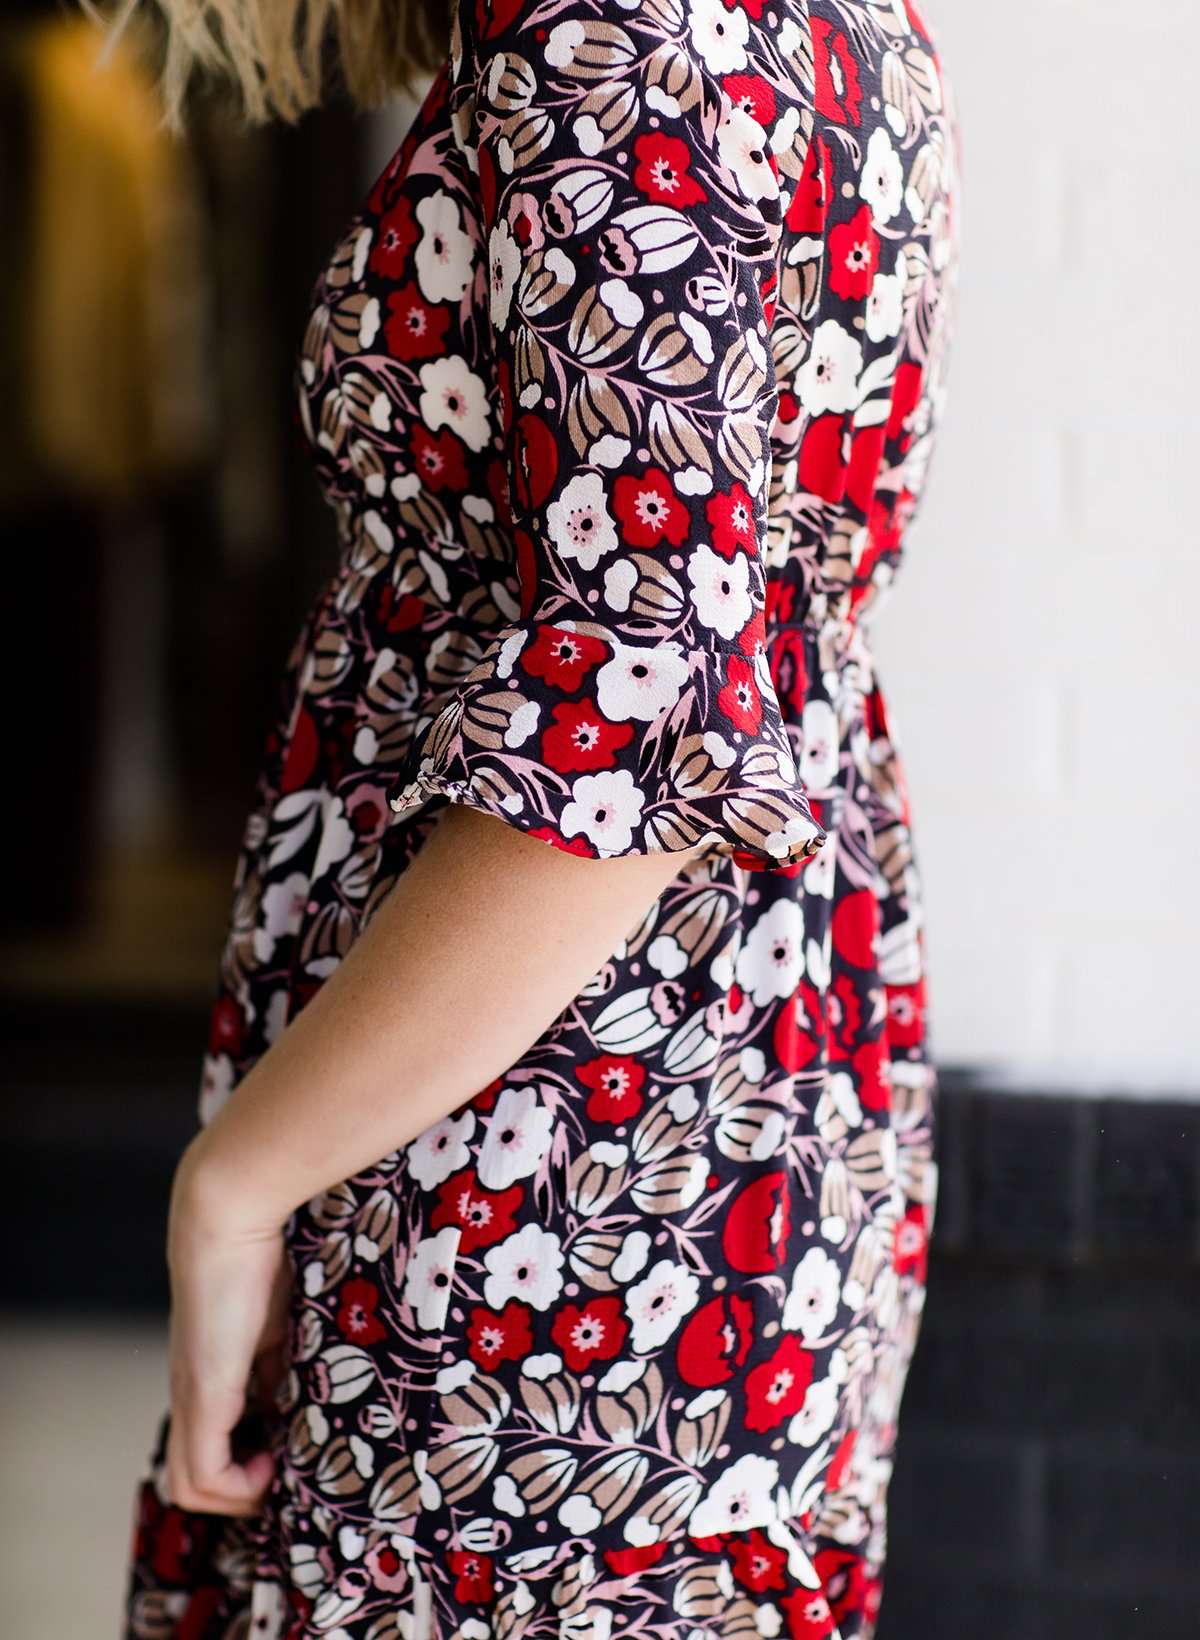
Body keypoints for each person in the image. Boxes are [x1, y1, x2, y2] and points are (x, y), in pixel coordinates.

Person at [112, 0, 963, 1633]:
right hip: (725, 1089)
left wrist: (239, 1182)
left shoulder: (610, 29)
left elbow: (635, 736)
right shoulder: (838, 15)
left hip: (548, 1166)